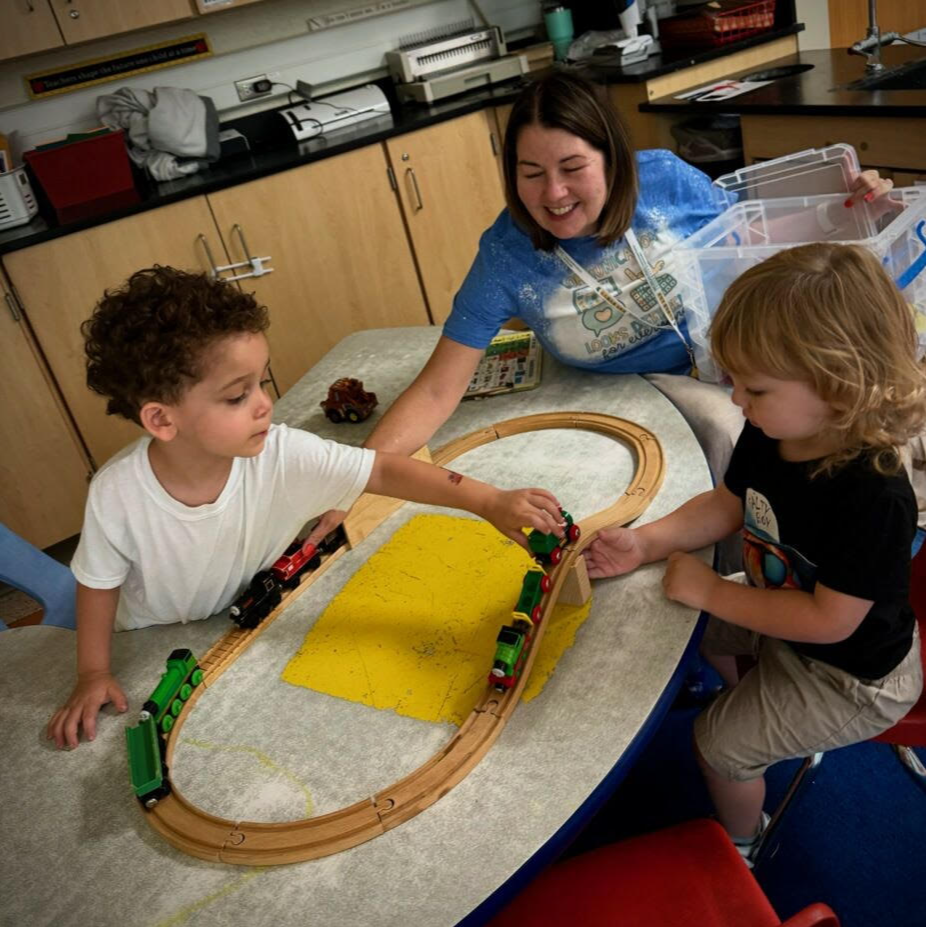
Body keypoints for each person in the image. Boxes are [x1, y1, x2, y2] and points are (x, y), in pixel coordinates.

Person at [303, 69, 890, 548]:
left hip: (733, 358)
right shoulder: (506, 255)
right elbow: (436, 391)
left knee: (846, 423)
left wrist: (850, 208)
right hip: (642, 390)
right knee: (728, 439)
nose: (552, 195)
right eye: (530, 174)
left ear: (611, 157)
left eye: (572, 169)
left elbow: (748, 234)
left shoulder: (662, 177)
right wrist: (348, 480)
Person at [46, 267, 564, 750]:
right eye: (236, 396)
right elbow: (97, 585)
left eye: (261, 382)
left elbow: (382, 469)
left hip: (241, 626)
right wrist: (93, 673)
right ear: (161, 420)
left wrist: (487, 500)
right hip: (152, 642)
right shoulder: (117, 494)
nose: (264, 403)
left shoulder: (280, 450)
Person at [583, 242, 925, 862]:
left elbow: (830, 621)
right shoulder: (777, 429)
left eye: (755, 388)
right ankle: (752, 699)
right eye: (735, 381)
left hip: (851, 675)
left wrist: (716, 591)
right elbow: (729, 503)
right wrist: (646, 540)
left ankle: (744, 843)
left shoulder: (875, 493)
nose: (737, 400)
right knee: (703, 632)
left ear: (841, 387)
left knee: (717, 745)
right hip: (789, 612)